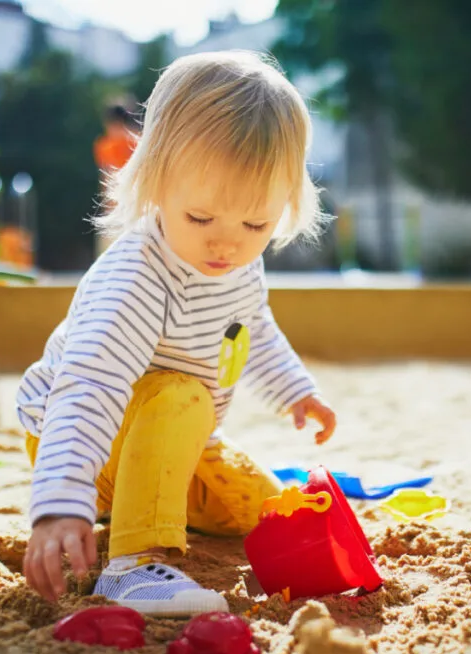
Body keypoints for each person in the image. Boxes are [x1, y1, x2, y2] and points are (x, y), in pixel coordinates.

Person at [18, 51, 337, 616]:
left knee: (257, 508)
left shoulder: (237, 263)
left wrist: (295, 388)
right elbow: (87, 388)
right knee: (181, 394)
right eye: (201, 218)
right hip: (83, 446)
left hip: (172, 438)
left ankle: (145, 504)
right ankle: (132, 568)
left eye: (255, 224)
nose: (227, 244)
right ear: (156, 181)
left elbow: (251, 328)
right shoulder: (137, 279)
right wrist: (59, 503)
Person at [92, 104, 139, 256]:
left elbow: (106, 177)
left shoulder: (133, 143)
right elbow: (106, 177)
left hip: (130, 204)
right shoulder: (107, 145)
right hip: (125, 204)